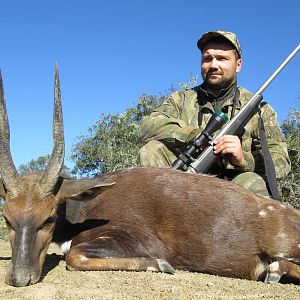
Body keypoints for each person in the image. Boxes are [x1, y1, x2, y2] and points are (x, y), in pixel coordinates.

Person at [138, 30, 291, 197]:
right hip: (184, 184)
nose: (213, 65)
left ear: (238, 65)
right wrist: (195, 137)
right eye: (207, 58)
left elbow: (282, 162)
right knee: (152, 150)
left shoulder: (260, 110)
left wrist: (242, 159)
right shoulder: (180, 99)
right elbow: (146, 127)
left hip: (231, 191)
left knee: (250, 181)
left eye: (222, 58)